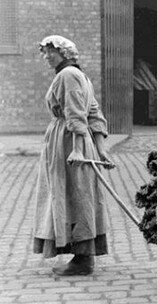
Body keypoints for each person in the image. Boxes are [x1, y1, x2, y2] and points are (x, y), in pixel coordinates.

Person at [33, 35, 114, 276]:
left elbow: (77, 115)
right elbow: (95, 114)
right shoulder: (81, 76)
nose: (47, 56)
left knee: (74, 194)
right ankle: (82, 254)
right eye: (45, 52)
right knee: (78, 194)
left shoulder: (67, 75)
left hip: (68, 142)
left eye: (52, 52)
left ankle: (83, 260)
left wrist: (78, 149)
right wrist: (101, 150)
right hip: (72, 140)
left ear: (66, 53)